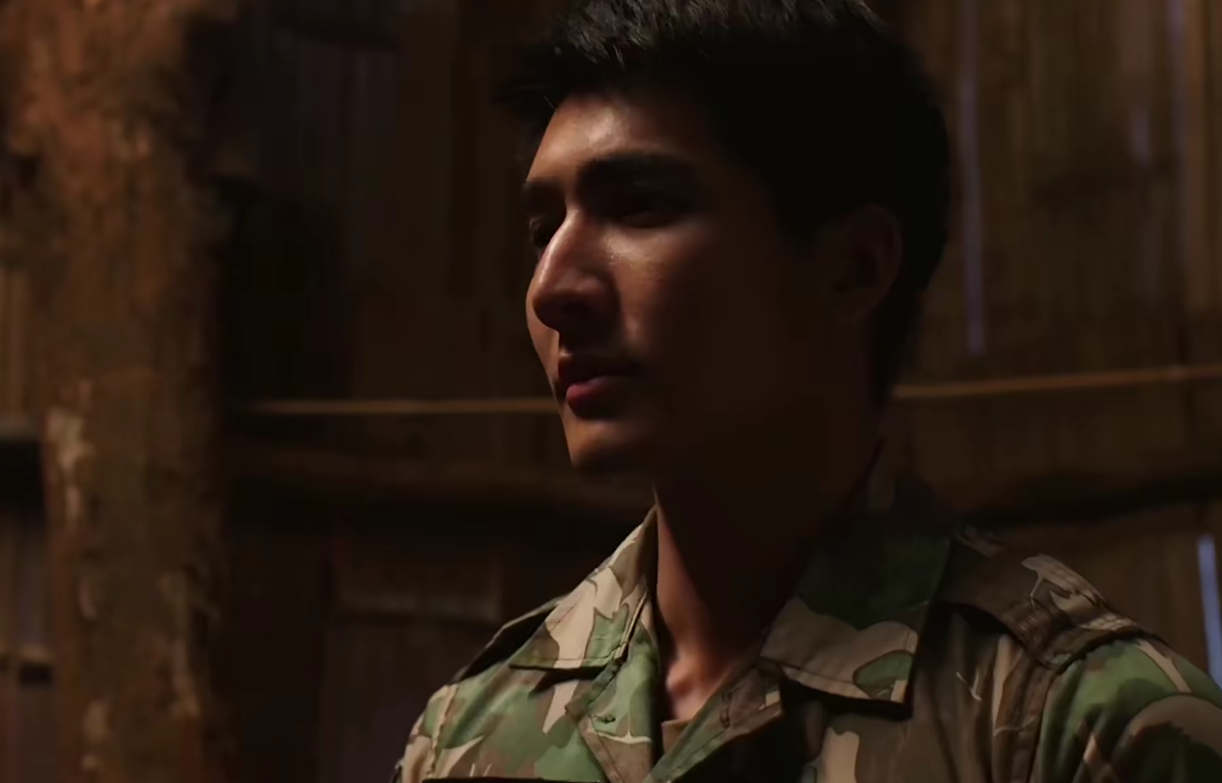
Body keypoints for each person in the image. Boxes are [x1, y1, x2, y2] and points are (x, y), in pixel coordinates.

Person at [393, 1, 1222, 781]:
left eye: (641, 206)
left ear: (853, 267)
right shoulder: (470, 736)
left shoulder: (1081, 729)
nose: (551, 287)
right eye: (544, 230)